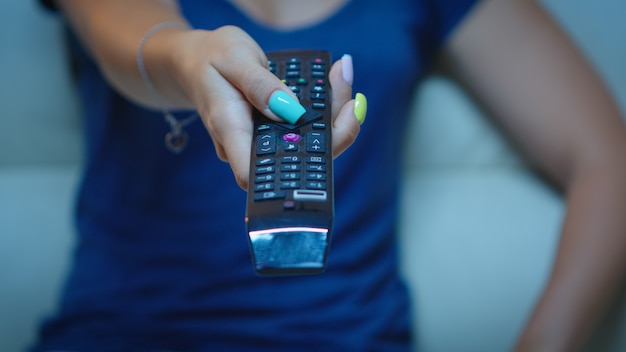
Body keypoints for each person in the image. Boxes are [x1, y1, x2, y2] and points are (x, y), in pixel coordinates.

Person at [34, 0, 626, 351]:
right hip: (119, 335)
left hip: (343, 338)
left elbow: (608, 159)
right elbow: (134, 35)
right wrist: (187, 60)